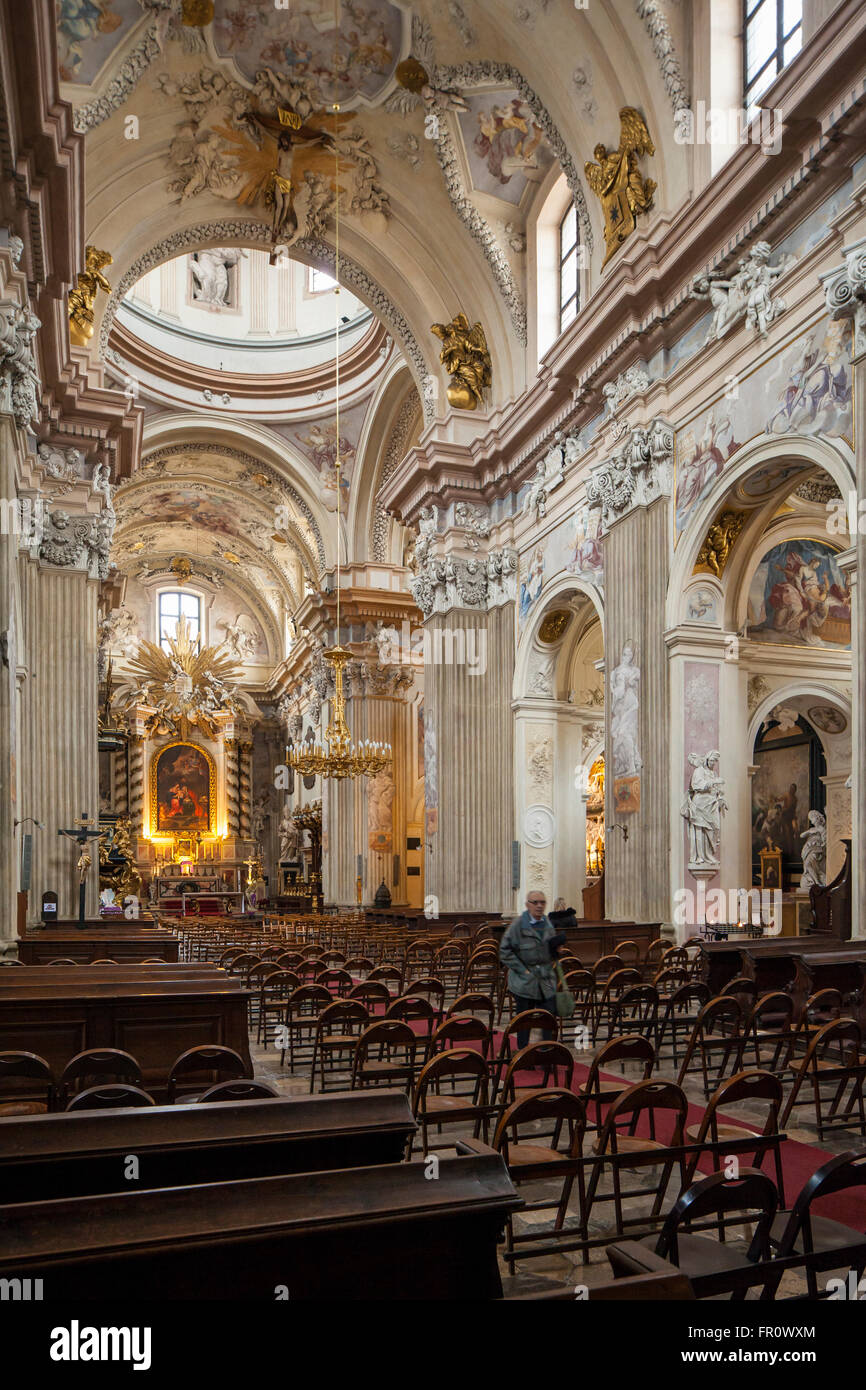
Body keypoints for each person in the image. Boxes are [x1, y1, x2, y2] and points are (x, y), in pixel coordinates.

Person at [500, 890, 561, 1049]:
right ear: (527, 905)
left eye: (542, 902)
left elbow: (549, 950)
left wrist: (555, 949)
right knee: (525, 1021)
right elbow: (504, 952)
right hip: (524, 983)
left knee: (547, 1019)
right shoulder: (518, 925)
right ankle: (523, 1054)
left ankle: (546, 1052)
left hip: (545, 981)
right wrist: (523, 971)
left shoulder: (548, 923)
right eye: (535, 902)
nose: (539, 906)